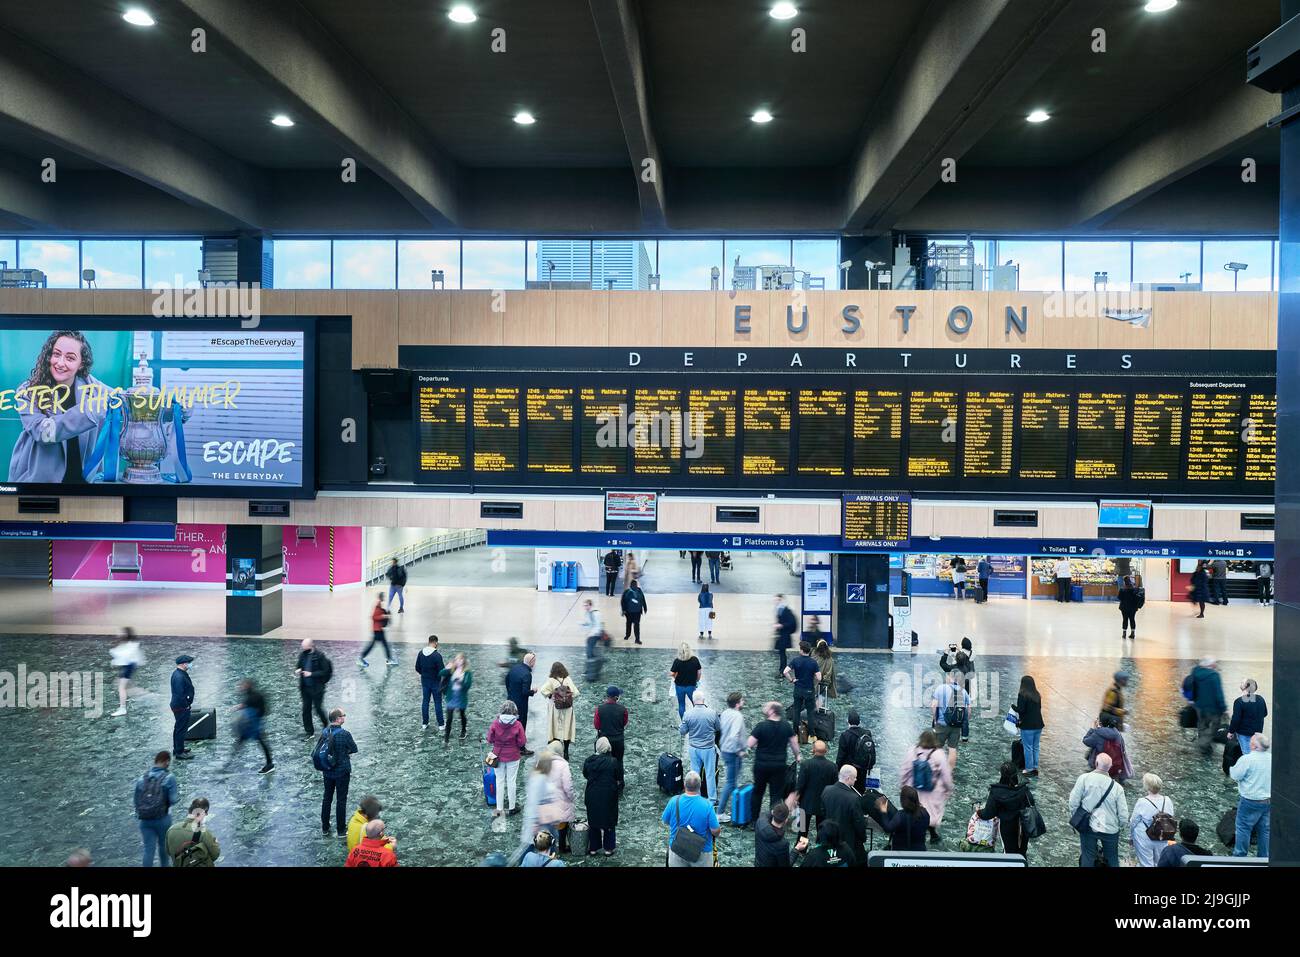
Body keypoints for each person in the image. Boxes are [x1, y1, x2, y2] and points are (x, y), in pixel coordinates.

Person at [1068, 752, 1128, 867]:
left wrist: (1075, 817)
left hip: (1088, 826)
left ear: (1096, 763)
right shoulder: (1117, 788)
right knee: (1112, 858)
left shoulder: (1084, 779)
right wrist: (1122, 826)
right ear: (1110, 767)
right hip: (1110, 828)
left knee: (1088, 855)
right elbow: (1123, 814)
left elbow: (1073, 801)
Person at [747, 701, 800, 824]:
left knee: (757, 792)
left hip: (761, 765)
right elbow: (794, 744)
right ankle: (774, 820)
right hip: (779, 766)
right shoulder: (786, 726)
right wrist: (798, 755)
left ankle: (754, 820)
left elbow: (749, 744)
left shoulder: (761, 726)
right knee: (776, 795)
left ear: (772, 711)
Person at [901, 729, 953, 845]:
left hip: (914, 788)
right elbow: (946, 775)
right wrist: (948, 789)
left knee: (914, 810)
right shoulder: (939, 754)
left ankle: (915, 836)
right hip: (933, 791)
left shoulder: (912, 751)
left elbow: (905, 770)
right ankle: (933, 834)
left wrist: (903, 785)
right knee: (930, 813)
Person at [662, 771, 720, 867]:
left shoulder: (674, 801)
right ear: (699, 786)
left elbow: (665, 820)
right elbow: (715, 831)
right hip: (702, 853)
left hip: (677, 850)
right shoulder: (707, 805)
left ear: (684, 785)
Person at [976, 762, 1032, 856]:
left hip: (1007, 826)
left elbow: (988, 814)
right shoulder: (1024, 789)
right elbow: (1031, 803)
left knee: (1008, 851)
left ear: (1001, 774)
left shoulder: (996, 791)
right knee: (1022, 851)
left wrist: (978, 811)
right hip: (1023, 825)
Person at [134, 751, 179, 867]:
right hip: (163, 819)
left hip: (145, 820)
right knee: (163, 847)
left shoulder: (141, 779)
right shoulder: (169, 778)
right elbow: (173, 799)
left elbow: (135, 801)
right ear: (167, 762)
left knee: (148, 849)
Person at [1230, 733, 1271, 858]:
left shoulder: (1247, 759)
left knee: (1243, 828)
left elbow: (1235, 775)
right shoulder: (1272, 758)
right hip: (1268, 800)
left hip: (1249, 801)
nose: (1249, 743)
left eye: (1251, 742)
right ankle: (1264, 858)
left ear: (1254, 746)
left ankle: (1239, 857)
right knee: (1265, 831)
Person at [318, 708, 358, 836]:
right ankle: (341, 829)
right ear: (338, 719)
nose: (344, 717)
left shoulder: (325, 732)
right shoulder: (344, 734)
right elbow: (354, 748)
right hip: (342, 771)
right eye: (343, 715)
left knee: (327, 798)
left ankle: (325, 827)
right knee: (341, 800)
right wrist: (345, 753)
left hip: (327, 771)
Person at [487, 701, 527, 817]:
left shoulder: (495, 723)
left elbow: (489, 739)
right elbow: (522, 742)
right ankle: (512, 807)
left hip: (497, 756)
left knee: (499, 781)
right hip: (513, 756)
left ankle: (499, 809)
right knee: (511, 781)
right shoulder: (518, 724)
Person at [679, 690, 721, 802]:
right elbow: (718, 728)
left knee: (695, 773)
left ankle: (696, 797)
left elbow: (682, 731)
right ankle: (712, 798)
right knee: (710, 774)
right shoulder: (712, 713)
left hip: (694, 748)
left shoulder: (688, 714)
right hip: (708, 748)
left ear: (693, 700)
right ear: (704, 700)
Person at [821, 764, 868, 865]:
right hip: (848, 841)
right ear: (848, 778)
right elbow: (858, 823)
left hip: (830, 838)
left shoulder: (826, 790)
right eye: (855, 777)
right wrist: (863, 838)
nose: (856, 780)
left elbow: (823, 812)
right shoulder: (853, 798)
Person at [226, 678, 273, 774]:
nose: (241, 687)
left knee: (259, 742)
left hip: (254, 724)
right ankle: (229, 762)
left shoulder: (253, 696)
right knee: (242, 741)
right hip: (251, 723)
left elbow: (245, 705)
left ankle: (270, 764)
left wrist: (234, 708)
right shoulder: (252, 695)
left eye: (243, 686)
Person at [793, 740, 838, 840]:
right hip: (824, 803)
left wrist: (796, 799)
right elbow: (835, 786)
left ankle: (801, 849)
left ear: (813, 750)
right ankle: (820, 848)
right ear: (826, 751)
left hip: (806, 803)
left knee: (803, 830)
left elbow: (800, 785)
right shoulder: (832, 766)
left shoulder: (806, 764)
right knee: (822, 829)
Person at [583, 737, 620, 856]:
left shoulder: (589, 761)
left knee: (593, 821)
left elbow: (586, 774)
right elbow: (618, 777)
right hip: (608, 796)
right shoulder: (613, 762)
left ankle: (593, 847)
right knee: (609, 821)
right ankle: (608, 848)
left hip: (592, 795)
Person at [1129, 773, 1176, 867]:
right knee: (1158, 863)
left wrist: (1131, 837)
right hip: (1162, 836)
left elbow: (1133, 821)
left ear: (1147, 787)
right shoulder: (1167, 800)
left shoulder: (1142, 802)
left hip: (1144, 837)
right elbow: (1171, 817)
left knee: (1145, 864)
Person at [539, 740, 576, 853]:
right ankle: (562, 846)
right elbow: (568, 786)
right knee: (562, 826)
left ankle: (548, 846)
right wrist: (572, 797)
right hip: (560, 802)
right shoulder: (563, 765)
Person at [930, 670, 970, 770]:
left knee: (937, 748)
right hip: (956, 726)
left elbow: (934, 705)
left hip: (941, 724)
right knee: (952, 749)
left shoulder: (941, 688)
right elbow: (968, 711)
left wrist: (935, 719)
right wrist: (961, 722)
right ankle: (948, 774)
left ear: (950, 677)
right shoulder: (964, 692)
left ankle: (936, 770)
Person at [717, 692, 747, 822]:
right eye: (742, 700)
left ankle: (736, 808)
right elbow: (734, 735)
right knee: (730, 782)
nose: (744, 702)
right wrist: (738, 751)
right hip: (733, 752)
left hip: (724, 749)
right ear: (737, 703)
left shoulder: (725, 713)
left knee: (733, 781)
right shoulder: (737, 716)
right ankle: (720, 812)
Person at [1188, 657, 1227, 757]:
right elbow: (1219, 693)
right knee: (1215, 725)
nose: (1215, 666)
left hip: (1199, 706)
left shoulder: (1195, 672)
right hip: (1213, 707)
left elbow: (1190, 687)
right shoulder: (1214, 676)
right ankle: (1203, 743)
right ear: (1210, 665)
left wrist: (1191, 701)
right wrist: (1223, 707)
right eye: (1214, 665)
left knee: (1202, 724)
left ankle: (1204, 747)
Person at [539, 661, 579, 760]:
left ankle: (555, 750)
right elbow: (576, 693)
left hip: (555, 709)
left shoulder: (551, 680)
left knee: (554, 728)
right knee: (566, 729)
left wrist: (552, 694)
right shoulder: (568, 679)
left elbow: (542, 690)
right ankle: (566, 751)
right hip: (568, 709)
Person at [938, 638, 975, 743]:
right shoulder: (968, 668)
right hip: (965, 694)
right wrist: (961, 653)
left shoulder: (953, 668)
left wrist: (946, 654)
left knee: (951, 710)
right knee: (965, 717)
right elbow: (968, 662)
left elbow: (943, 664)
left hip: (953, 695)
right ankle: (965, 737)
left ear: (957, 660)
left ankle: (950, 727)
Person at [165, 798, 220, 867]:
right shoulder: (203, 832)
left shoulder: (171, 830)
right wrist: (216, 844)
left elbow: (168, 852)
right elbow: (215, 855)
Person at [784, 640, 822, 737]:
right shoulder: (813, 662)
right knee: (810, 712)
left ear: (801, 650)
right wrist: (814, 682)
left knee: (796, 711)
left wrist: (792, 680)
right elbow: (819, 678)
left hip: (798, 689)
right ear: (809, 651)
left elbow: (785, 672)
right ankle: (811, 734)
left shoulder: (795, 660)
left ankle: (795, 732)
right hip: (809, 690)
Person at [592, 686, 628, 789]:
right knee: (619, 761)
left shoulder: (599, 709)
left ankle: (605, 782)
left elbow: (597, 725)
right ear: (616, 697)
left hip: (604, 740)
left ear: (607, 696)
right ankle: (620, 782)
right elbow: (624, 722)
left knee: (603, 761)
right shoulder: (623, 709)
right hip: (618, 740)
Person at [296, 638, 332, 737]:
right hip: (305, 688)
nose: (303, 649)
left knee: (318, 708)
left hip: (317, 688)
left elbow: (325, 671)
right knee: (306, 710)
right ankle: (309, 731)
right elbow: (299, 665)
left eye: (305, 647)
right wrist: (298, 670)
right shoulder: (303, 655)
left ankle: (325, 724)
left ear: (311, 646)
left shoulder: (320, 656)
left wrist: (311, 674)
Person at [878, 785, 930, 852]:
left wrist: (883, 811)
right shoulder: (925, 813)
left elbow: (888, 828)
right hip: (920, 850)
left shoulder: (900, 815)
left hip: (901, 852)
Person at [503, 651, 535, 753]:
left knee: (511, 723)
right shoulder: (527, 674)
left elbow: (506, 680)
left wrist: (510, 693)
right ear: (531, 662)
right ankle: (521, 748)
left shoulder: (514, 668)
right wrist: (533, 691)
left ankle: (510, 743)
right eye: (535, 661)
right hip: (521, 704)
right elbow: (525, 692)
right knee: (521, 724)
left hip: (511, 700)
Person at [415, 634, 446, 732]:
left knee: (425, 702)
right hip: (436, 683)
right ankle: (441, 724)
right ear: (436, 643)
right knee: (437, 703)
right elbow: (442, 671)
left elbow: (417, 667)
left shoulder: (421, 653)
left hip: (425, 681)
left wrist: (423, 674)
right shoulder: (437, 656)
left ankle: (425, 723)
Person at [835, 711, 872, 793]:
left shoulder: (845, 735)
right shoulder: (867, 733)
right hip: (863, 767)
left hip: (849, 768)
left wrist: (837, 769)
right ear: (859, 722)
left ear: (848, 722)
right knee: (860, 789)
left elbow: (841, 755)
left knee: (849, 790)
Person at [1229, 678, 1269, 754]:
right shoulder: (1261, 699)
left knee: (1247, 754)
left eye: (1242, 682)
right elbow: (1265, 714)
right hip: (1257, 733)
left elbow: (1236, 719)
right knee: (1257, 753)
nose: (1240, 683)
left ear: (1245, 687)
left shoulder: (1239, 701)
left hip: (1244, 733)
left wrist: (1231, 732)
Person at [109, 628, 142, 717]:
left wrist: (114, 660)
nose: (119, 634)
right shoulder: (130, 643)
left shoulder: (130, 645)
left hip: (129, 666)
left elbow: (125, 656)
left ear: (126, 634)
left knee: (121, 687)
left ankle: (122, 708)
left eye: (122, 632)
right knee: (123, 685)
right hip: (129, 666)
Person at [440, 653, 473, 743]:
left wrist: (460, 682)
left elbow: (467, 686)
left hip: (461, 697)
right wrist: (447, 668)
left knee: (462, 715)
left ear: (463, 661)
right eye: (456, 659)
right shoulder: (452, 670)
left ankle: (463, 730)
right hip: (451, 697)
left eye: (460, 659)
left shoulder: (467, 672)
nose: (458, 661)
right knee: (449, 717)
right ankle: (446, 737)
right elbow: (440, 673)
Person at [1016, 675, 1044, 776]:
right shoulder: (1037, 694)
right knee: (1036, 746)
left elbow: (1021, 710)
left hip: (1027, 726)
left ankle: (1029, 769)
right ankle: (1035, 767)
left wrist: (1013, 707)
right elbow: (1039, 708)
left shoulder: (1022, 695)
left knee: (1027, 747)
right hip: (1039, 724)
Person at [169, 654, 196, 760]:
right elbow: (180, 694)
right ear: (184, 664)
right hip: (181, 707)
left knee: (179, 728)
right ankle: (179, 752)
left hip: (180, 706)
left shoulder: (180, 673)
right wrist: (186, 705)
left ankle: (178, 748)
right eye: (189, 663)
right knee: (181, 729)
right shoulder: (179, 676)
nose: (190, 665)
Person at [360, 591, 395, 667]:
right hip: (377, 630)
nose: (384, 598)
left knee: (383, 644)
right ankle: (361, 658)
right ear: (381, 597)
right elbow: (373, 617)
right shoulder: (377, 606)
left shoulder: (379, 605)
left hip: (378, 630)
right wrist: (384, 616)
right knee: (377, 645)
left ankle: (389, 659)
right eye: (383, 596)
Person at [669, 643, 703, 720]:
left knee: (681, 705)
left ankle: (684, 722)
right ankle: (697, 719)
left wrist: (675, 677)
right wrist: (696, 680)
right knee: (696, 703)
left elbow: (671, 673)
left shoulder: (677, 661)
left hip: (679, 686)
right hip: (691, 686)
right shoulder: (694, 659)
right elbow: (699, 672)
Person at [773, 595, 797, 676]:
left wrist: (781, 625)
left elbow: (791, 623)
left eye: (777, 600)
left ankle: (783, 671)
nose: (776, 601)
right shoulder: (780, 610)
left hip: (784, 636)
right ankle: (782, 670)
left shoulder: (786, 610)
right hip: (782, 636)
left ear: (781, 600)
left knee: (782, 654)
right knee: (782, 654)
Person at [620, 576, 648, 643]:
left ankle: (630, 636)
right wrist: (645, 607)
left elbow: (623, 601)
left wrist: (623, 610)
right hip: (634, 612)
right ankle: (634, 638)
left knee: (631, 624)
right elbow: (642, 599)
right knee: (635, 625)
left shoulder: (629, 591)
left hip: (632, 612)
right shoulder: (636, 591)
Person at [1117, 575, 1142, 640]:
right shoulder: (1134, 589)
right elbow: (1137, 598)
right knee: (1132, 619)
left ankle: (1124, 633)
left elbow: (1119, 598)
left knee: (1125, 619)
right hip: (1133, 607)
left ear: (1124, 581)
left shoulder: (1122, 589)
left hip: (1124, 607)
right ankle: (1133, 633)